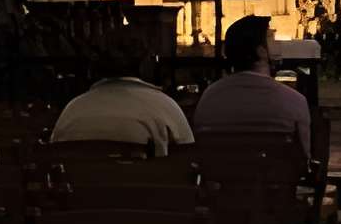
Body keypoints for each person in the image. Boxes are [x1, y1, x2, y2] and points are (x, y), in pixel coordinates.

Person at [48, 30, 194, 152]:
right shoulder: (165, 107)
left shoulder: (72, 110)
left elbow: (54, 157)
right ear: (144, 64)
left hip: (82, 185)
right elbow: (186, 161)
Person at [191, 14, 311, 151]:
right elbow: (303, 158)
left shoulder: (208, 98)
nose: (278, 42)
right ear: (261, 51)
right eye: (271, 37)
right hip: (273, 171)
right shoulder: (294, 101)